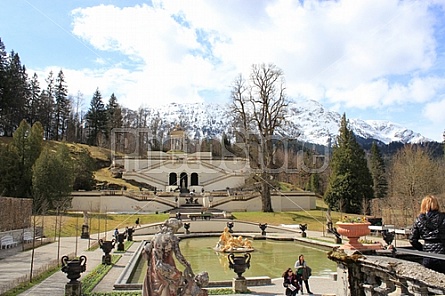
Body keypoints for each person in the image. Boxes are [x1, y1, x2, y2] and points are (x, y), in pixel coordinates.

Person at [142, 218, 208, 296]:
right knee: (177, 281)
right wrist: (187, 265)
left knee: (156, 288)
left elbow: (147, 252)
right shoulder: (172, 238)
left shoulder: (155, 237)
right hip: (167, 266)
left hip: (154, 268)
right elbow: (179, 256)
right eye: (177, 229)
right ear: (174, 228)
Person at [409, 195, 445, 273]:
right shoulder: (443, 218)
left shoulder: (418, 220)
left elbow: (412, 239)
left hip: (427, 255)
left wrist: (422, 248)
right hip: (442, 253)